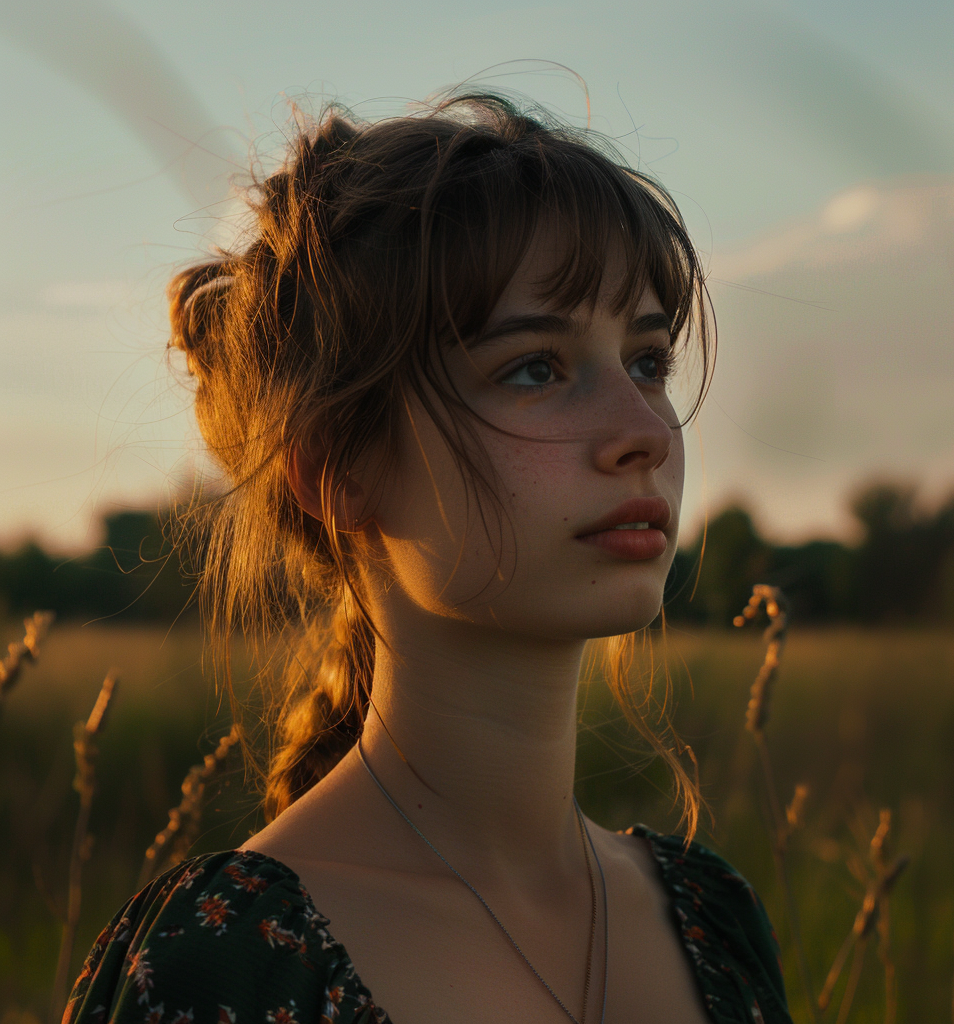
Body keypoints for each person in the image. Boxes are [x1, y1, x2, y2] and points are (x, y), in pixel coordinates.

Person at [63, 92, 791, 1024]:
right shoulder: (225, 963)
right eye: (536, 367)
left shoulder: (709, 924)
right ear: (337, 474)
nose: (644, 431)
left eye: (648, 362)